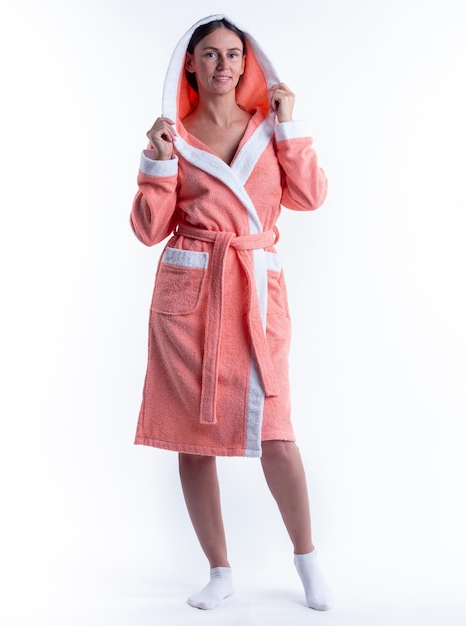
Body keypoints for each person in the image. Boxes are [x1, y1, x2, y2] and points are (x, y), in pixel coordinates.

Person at [130, 14, 332, 611]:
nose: (224, 66)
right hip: (190, 299)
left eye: (234, 55)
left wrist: (291, 124)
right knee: (191, 441)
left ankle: (308, 558)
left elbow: (311, 196)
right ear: (190, 64)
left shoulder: (270, 131)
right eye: (211, 55)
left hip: (254, 290)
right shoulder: (175, 137)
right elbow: (148, 230)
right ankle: (219, 571)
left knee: (278, 436)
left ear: (249, 64)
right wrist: (159, 161)